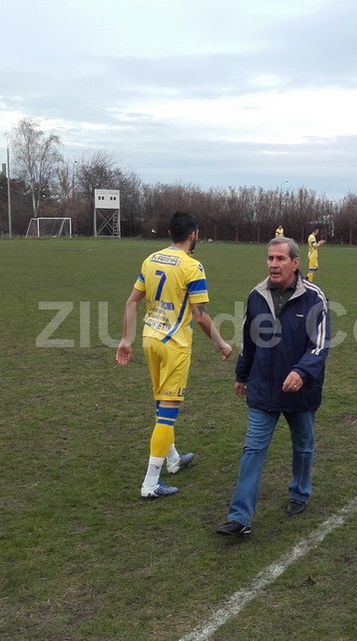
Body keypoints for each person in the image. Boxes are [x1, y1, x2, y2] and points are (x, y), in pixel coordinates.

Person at [216, 237, 331, 536]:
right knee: (252, 449)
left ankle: (300, 492)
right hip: (263, 387)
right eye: (270, 258)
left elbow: (319, 345)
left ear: (295, 263)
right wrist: (242, 375)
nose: (274, 264)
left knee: (303, 446)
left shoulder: (315, 298)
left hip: (299, 390)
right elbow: (248, 340)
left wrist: (301, 372)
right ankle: (240, 516)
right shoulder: (256, 295)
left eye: (280, 259)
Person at [116, 211, 233, 499]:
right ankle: (151, 483)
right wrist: (221, 344)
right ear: (193, 235)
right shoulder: (193, 267)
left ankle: (173, 459)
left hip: (150, 340)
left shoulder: (151, 259)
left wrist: (126, 339)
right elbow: (200, 316)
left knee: (160, 403)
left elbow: (131, 302)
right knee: (167, 414)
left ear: (170, 233)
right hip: (174, 345)